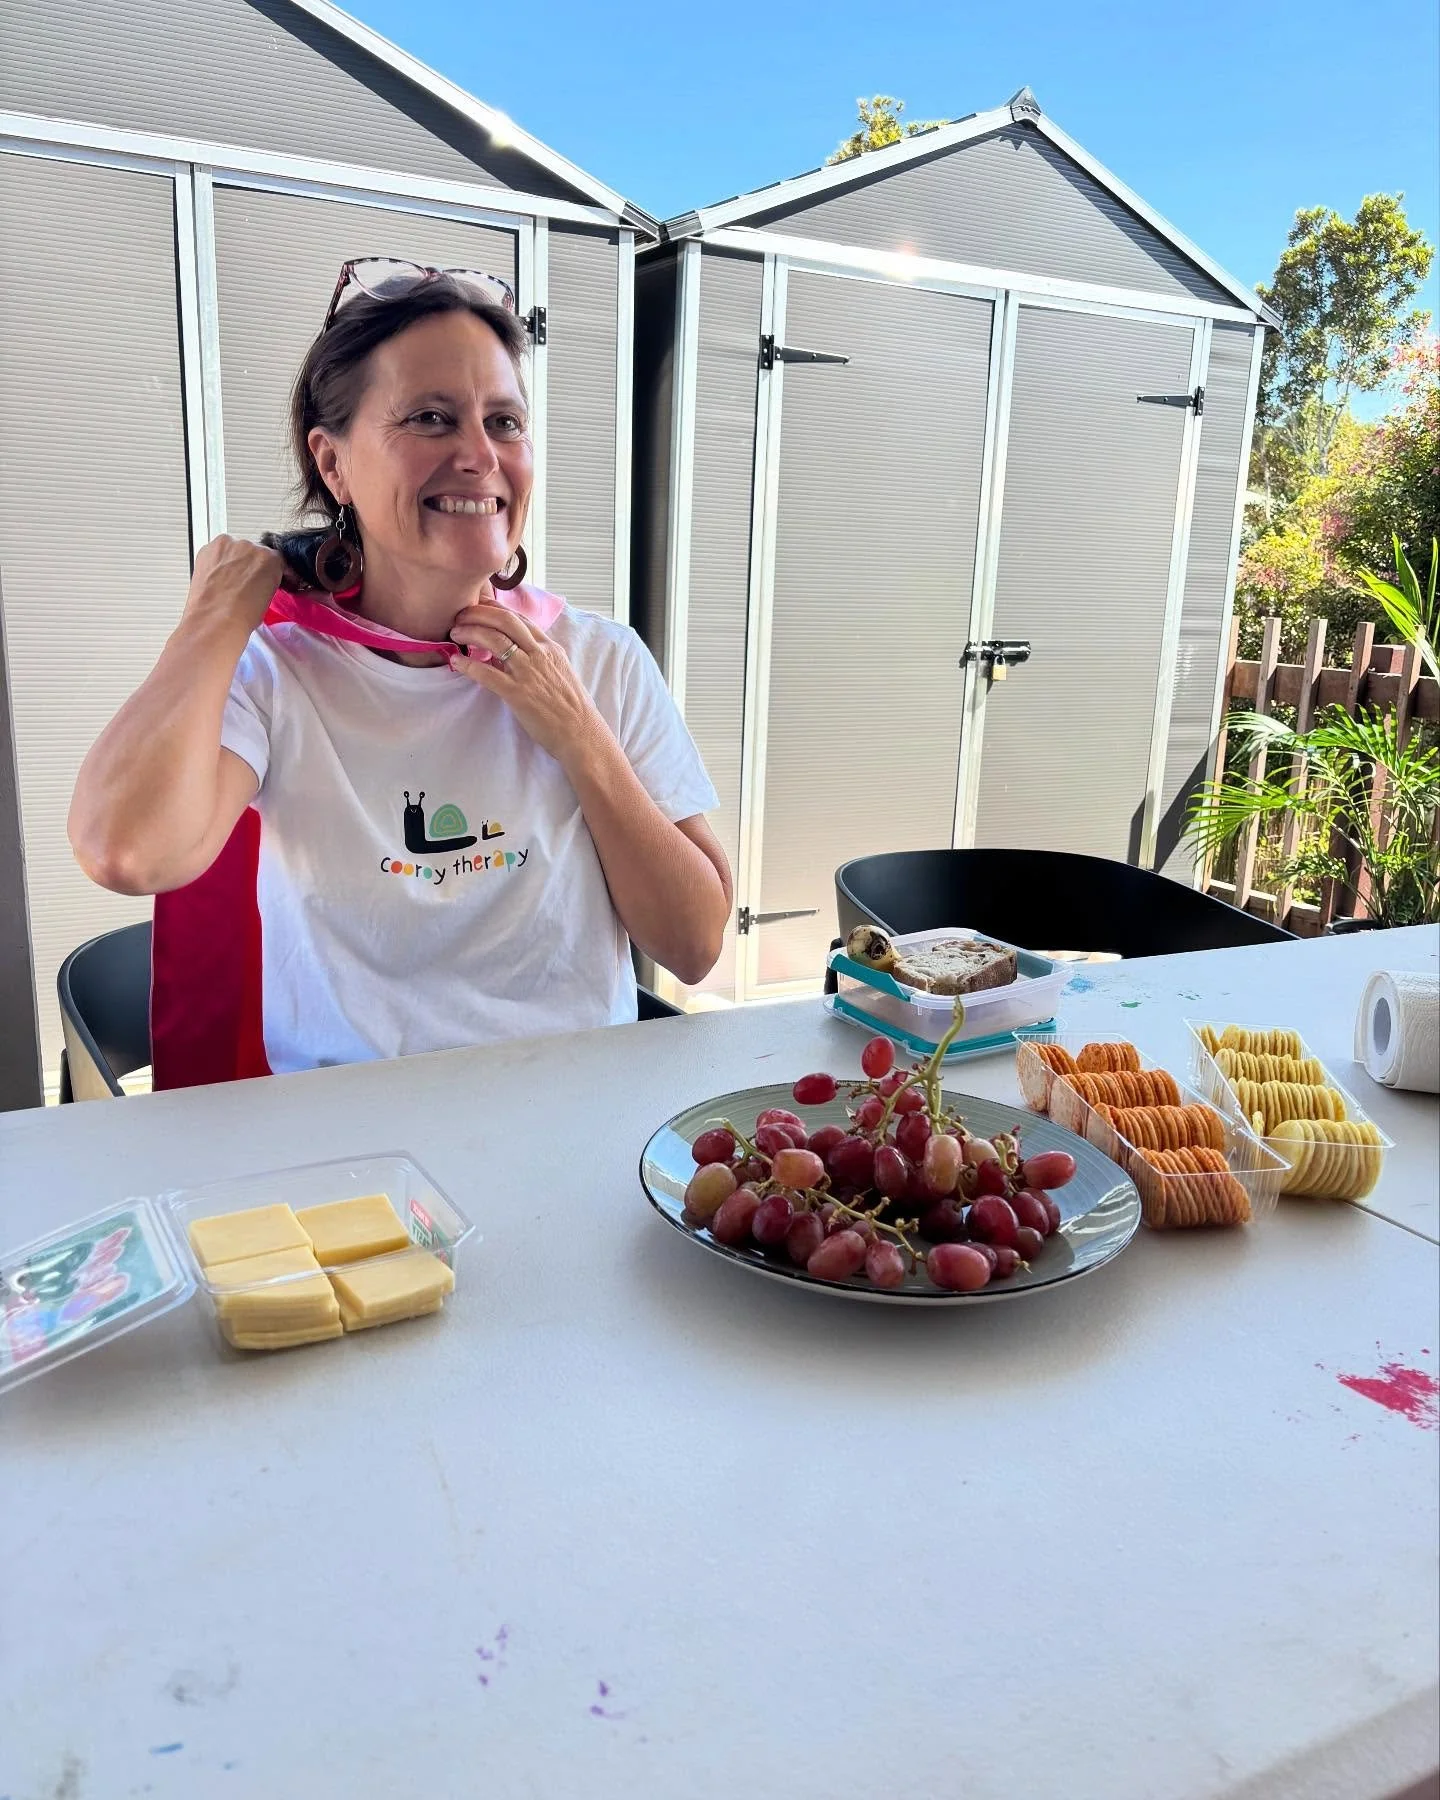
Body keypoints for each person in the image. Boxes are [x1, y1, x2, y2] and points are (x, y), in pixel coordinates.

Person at [69, 258, 731, 1073]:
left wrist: (580, 738)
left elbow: (696, 943)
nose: (480, 455)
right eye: (430, 417)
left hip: (571, 1122)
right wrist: (211, 620)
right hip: (350, 1152)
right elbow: (127, 851)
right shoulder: (275, 672)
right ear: (334, 462)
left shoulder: (601, 660)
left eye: (505, 421)